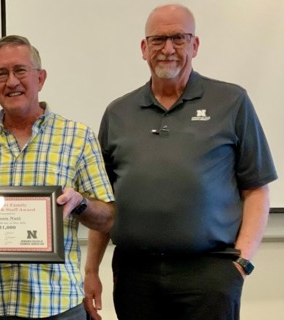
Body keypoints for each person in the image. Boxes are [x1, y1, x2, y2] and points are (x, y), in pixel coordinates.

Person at [86, 4, 279, 320]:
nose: (168, 49)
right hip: (136, 275)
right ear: (144, 48)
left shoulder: (232, 101)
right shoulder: (118, 112)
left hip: (210, 274)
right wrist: (91, 269)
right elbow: (104, 204)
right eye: (158, 40)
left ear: (195, 45)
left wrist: (241, 264)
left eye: (178, 38)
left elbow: (256, 190)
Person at [0, 35, 115, 319]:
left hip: (57, 304)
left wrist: (80, 203)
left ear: (40, 78)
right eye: (1, 74)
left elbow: (108, 217)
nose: (11, 82)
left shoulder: (78, 137)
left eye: (20, 70)